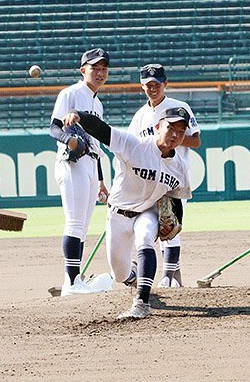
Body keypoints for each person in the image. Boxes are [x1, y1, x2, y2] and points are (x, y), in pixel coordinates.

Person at [63, 106, 192, 319]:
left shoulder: (180, 166)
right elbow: (103, 130)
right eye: (171, 128)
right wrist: (79, 116)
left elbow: (176, 198)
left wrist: (175, 223)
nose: (176, 135)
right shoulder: (135, 145)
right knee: (119, 273)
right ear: (159, 126)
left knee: (145, 240)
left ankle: (142, 302)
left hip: (147, 212)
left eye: (181, 131)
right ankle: (133, 275)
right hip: (118, 215)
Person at [127, 64, 200, 288]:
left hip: (172, 175)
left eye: (157, 84)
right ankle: (173, 277)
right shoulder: (140, 116)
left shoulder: (179, 107)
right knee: (151, 227)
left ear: (165, 83)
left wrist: (172, 135)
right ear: (142, 87)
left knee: (170, 222)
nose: (153, 88)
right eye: (148, 85)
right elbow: (132, 149)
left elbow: (196, 140)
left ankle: (168, 277)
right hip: (148, 181)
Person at [48, 48, 110, 296]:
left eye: (104, 68)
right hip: (72, 162)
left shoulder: (98, 103)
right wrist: (68, 140)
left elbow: (95, 143)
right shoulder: (71, 93)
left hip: (90, 162)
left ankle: (74, 280)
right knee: (74, 223)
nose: (100, 72)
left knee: (82, 226)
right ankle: (71, 283)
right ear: (83, 69)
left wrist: (102, 182)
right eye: (95, 68)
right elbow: (53, 128)